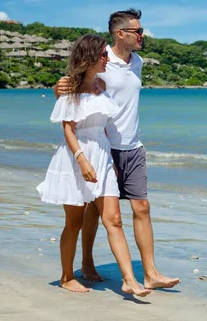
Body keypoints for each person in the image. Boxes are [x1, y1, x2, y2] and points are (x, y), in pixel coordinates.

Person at [54, 9, 180, 290]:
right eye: (138, 31)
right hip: (104, 147)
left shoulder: (138, 62)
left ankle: (150, 273)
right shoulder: (101, 60)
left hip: (133, 146)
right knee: (93, 211)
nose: (142, 35)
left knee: (142, 207)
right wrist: (58, 90)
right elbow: (71, 90)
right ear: (120, 33)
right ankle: (86, 262)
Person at [37, 34, 151, 297]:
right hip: (76, 157)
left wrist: (110, 160)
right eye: (102, 55)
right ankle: (66, 277)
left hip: (102, 155)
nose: (107, 58)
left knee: (114, 219)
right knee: (74, 222)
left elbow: (107, 128)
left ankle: (130, 281)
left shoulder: (101, 84)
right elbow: (68, 130)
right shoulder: (70, 89)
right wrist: (82, 160)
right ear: (89, 58)